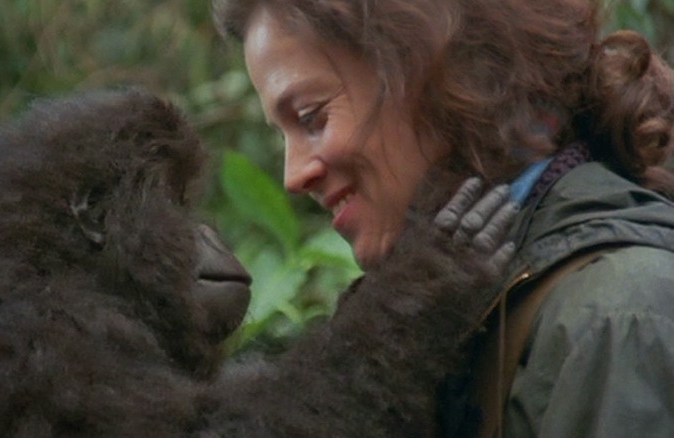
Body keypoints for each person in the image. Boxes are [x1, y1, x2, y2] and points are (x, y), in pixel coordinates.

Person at [212, 0, 674, 437]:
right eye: (284, 135)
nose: (293, 176)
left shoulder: (615, 319)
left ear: (438, 72)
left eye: (312, 118)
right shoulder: (459, 305)